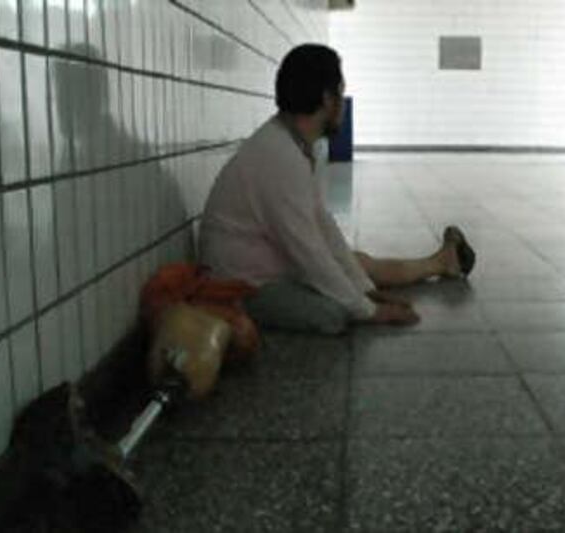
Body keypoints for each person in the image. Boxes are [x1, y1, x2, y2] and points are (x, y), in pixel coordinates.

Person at [199, 44, 476, 335]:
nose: (343, 104)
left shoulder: (298, 144)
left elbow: (322, 223)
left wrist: (366, 291)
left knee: (348, 275)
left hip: (271, 264)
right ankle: (436, 265)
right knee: (332, 314)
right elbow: (307, 250)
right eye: (340, 94)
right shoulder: (280, 155)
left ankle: (437, 263)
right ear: (326, 99)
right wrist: (369, 311)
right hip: (238, 286)